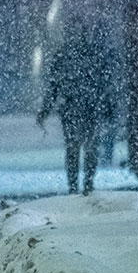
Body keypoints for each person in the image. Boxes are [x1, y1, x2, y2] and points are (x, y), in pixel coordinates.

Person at [37, 21, 118, 196]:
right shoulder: (95, 54)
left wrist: (45, 109)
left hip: (72, 108)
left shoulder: (63, 55)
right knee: (89, 147)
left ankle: (74, 186)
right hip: (90, 108)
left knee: (73, 148)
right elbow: (106, 84)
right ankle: (87, 184)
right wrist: (110, 108)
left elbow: (54, 86)